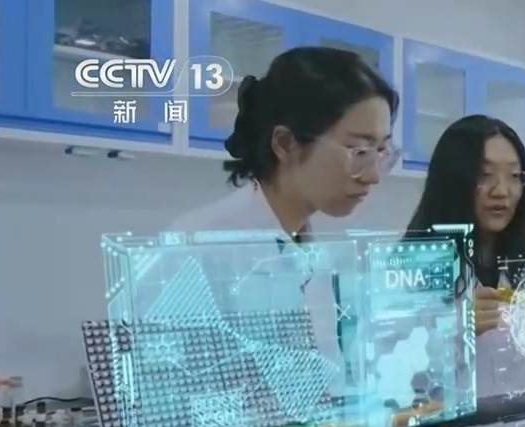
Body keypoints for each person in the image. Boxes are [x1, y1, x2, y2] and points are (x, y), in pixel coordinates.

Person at [166, 46, 399, 394]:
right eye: (359, 151)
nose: (374, 175)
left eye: (381, 151)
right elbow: (173, 394)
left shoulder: (308, 251)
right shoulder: (195, 246)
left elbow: (325, 382)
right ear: (286, 143)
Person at [406, 115, 525, 399]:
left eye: (514, 176)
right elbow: (402, 384)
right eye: (484, 175)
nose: (501, 191)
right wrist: (459, 333)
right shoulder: (412, 269)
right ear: (451, 181)